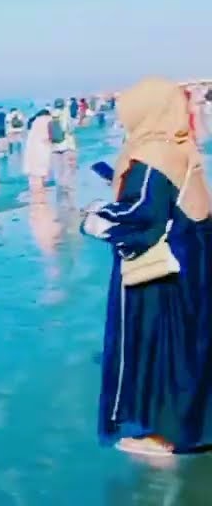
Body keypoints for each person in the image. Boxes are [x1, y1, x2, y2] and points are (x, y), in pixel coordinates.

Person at [80, 77, 212, 457]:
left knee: (164, 349)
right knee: (191, 347)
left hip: (166, 272)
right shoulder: (179, 145)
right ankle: (193, 428)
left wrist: (93, 218)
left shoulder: (153, 153)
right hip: (193, 258)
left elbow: (145, 214)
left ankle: (166, 436)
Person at [24, 109, 54, 195]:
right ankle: (40, 197)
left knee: (33, 175)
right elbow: (52, 136)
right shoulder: (49, 120)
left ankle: (35, 195)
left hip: (31, 150)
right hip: (43, 149)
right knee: (41, 174)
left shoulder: (33, 122)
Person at [50, 98, 78, 186]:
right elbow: (70, 129)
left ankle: (60, 186)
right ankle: (67, 188)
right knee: (68, 169)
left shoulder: (50, 115)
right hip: (67, 145)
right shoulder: (66, 114)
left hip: (54, 146)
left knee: (58, 170)